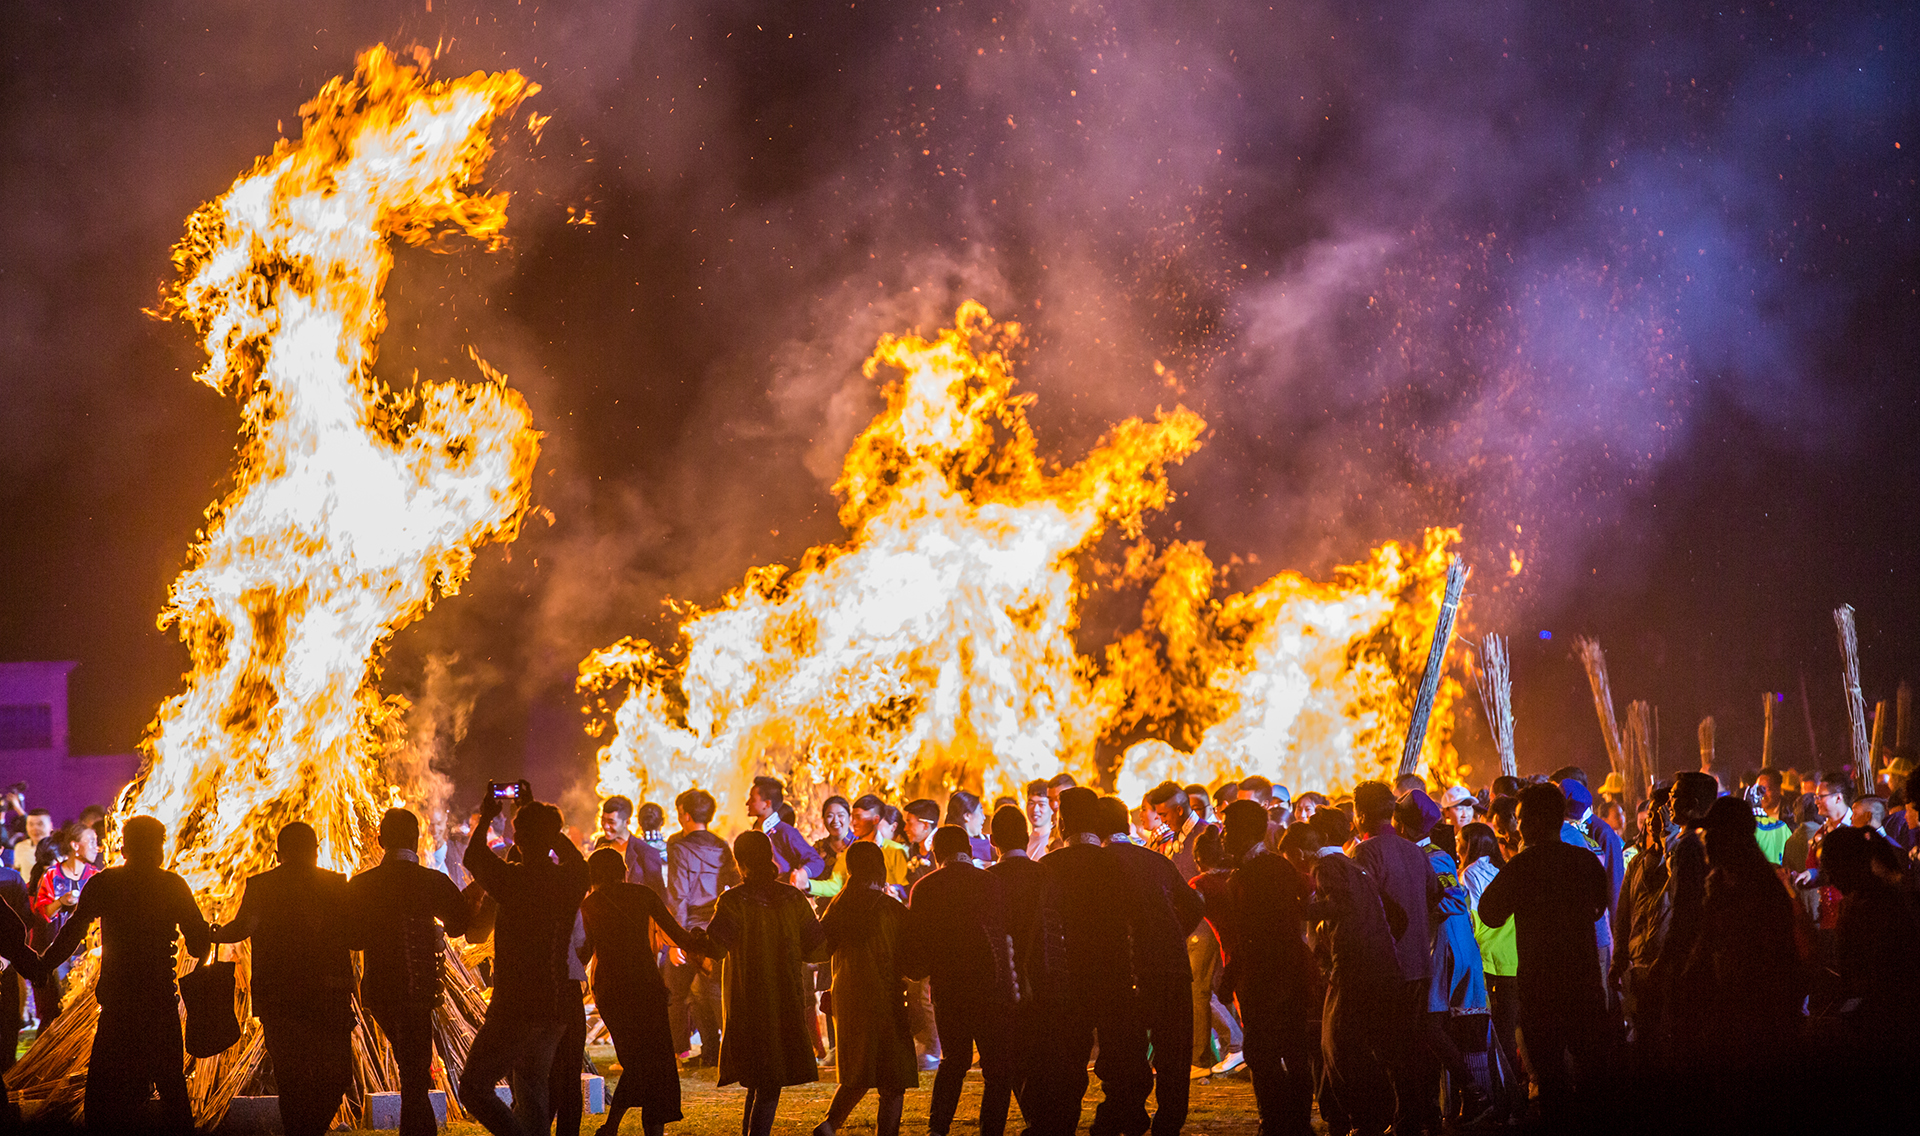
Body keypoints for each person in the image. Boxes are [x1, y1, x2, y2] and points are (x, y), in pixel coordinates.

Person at [41, 814, 211, 1134]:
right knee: (173, 1093)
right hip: (159, 1005)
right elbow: (200, 945)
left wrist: (41, 965)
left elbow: (72, 933)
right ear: (159, 849)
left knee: (103, 1100)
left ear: (124, 847)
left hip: (118, 1008)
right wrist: (206, 935)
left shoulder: (105, 883)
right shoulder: (172, 885)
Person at [1478, 783, 1618, 1131]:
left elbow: (1490, 913)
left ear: (1537, 821)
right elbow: (1599, 908)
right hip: (1584, 981)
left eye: (1522, 818)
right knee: (1592, 1073)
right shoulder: (1584, 860)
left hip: (1541, 988)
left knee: (1552, 1081)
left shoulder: (1523, 866)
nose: (1517, 826)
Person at [209, 823, 354, 1136]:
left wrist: (213, 933)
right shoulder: (336, 883)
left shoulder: (262, 885)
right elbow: (353, 935)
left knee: (291, 1076)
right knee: (338, 1072)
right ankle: (309, 1129)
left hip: (280, 997)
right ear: (316, 850)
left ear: (278, 855)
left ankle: (304, 1131)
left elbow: (243, 927)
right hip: (328, 994)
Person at [458, 794, 590, 1136]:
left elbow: (474, 856)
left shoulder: (513, 881)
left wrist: (488, 815)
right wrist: (548, 826)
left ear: (517, 839)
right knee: (532, 1089)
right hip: (555, 1005)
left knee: (473, 1088)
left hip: (515, 1006)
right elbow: (576, 861)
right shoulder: (569, 880)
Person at [1670, 797, 1803, 1129]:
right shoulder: (1723, 884)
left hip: (1754, 1025)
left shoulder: (1758, 890)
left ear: (1729, 837)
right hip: (1730, 1018)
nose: (1704, 839)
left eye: (1711, 832)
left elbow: (1772, 964)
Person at [346, 807, 472, 1136]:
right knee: (414, 1073)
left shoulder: (363, 885)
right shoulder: (433, 881)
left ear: (380, 840)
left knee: (413, 1072)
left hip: (382, 991)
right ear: (418, 841)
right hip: (419, 989)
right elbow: (461, 925)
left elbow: (353, 939)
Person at [697, 828, 827, 1136]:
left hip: (747, 1003)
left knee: (761, 1079)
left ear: (741, 863)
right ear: (769, 857)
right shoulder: (793, 898)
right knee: (768, 1080)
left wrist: (692, 942)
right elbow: (817, 948)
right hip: (784, 1001)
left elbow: (714, 949)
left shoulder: (733, 901)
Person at [1023, 787, 1133, 1136]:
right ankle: (1114, 1121)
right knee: (1118, 1060)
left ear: (1062, 823)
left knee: (1064, 1062)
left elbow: (1040, 927)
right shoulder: (1115, 863)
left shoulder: (1049, 866)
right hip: (1113, 974)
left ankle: (1056, 1126)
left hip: (1066, 979)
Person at [1095, 795, 1205, 1136]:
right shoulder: (1156, 860)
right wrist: (1172, 937)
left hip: (1128, 970)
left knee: (1126, 1052)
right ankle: (1168, 1124)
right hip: (1170, 968)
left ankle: (1130, 1117)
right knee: (1173, 1056)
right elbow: (1194, 904)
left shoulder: (1098, 863)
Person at [1288, 807, 1401, 1136]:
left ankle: (1364, 1121)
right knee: (1362, 1045)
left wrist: (1299, 907)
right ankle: (1378, 1116)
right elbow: (1396, 915)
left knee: (1337, 1046)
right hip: (1378, 966)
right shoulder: (1354, 864)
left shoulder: (1327, 866)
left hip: (1354, 969)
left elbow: (1341, 905)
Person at [580, 845, 705, 1136]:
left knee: (637, 1061)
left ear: (592, 876)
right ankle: (628, 1129)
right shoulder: (644, 895)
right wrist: (704, 944)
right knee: (656, 1061)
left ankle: (612, 1127)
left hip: (611, 989)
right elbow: (677, 935)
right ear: (623, 872)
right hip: (645, 986)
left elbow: (586, 951)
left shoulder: (591, 904)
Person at [904, 826, 1017, 1136]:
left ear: (938, 853)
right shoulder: (992, 882)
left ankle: (938, 1127)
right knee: (996, 1067)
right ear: (969, 848)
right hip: (992, 985)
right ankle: (991, 1129)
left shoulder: (926, 887)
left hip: (949, 987)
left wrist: (917, 971)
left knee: (954, 1061)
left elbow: (917, 943)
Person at [1351, 780, 1441, 1136]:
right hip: (1419, 963)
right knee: (1414, 1041)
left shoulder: (1365, 854)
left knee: (1390, 1047)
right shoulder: (1415, 851)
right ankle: (1425, 1112)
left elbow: (1363, 907)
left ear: (1359, 816)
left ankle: (1405, 1118)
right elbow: (1434, 894)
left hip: (1388, 966)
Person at [1220, 800, 1315, 1136]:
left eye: (1228, 829)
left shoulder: (1265, 871)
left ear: (1245, 832)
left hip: (1272, 975)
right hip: (1276, 973)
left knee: (1268, 1051)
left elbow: (1261, 933)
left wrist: (1233, 973)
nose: (1222, 837)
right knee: (1283, 1050)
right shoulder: (1267, 868)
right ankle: (1289, 1122)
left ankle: (1281, 1122)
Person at [1395, 790, 1490, 1126]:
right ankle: (1450, 1101)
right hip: (1452, 946)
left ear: (1399, 822)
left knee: (1429, 1024)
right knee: (1441, 1027)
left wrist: (1421, 907)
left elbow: (1453, 901)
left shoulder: (1430, 858)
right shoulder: (1433, 853)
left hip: (1444, 948)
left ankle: (1474, 1091)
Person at [813, 842, 917, 1136]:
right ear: (879, 868)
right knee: (892, 1081)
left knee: (859, 1073)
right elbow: (912, 963)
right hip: (885, 998)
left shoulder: (838, 906)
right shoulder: (891, 909)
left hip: (849, 998)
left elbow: (821, 949)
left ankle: (830, 1124)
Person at [984, 805, 1044, 1126]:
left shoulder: (986, 881)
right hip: (1043, 983)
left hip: (999, 985)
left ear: (992, 840)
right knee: (1037, 1062)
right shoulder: (1045, 875)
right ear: (1026, 835)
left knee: (998, 1072)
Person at [28, 824, 98, 1025]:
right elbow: (42, 913)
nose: (97, 847)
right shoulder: (52, 875)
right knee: (57, 1010)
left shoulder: (95, 876)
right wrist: (61, 902)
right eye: (91, 841)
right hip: (55, 951)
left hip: (86, 952)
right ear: (75, 846)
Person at [745, 776, 825, 886]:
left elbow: (817, 861)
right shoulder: (754, 833)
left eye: (752, 799)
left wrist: (802, 873)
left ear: (767, 804)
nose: (747, 803)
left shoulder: (786, 832)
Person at [595, 795, 666, 896]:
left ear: (627, 822)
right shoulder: (601, 845)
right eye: (603, 820)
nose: (605, 826)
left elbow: (658, 895)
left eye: (611, 822)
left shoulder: (646, 852)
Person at [1146, 780, 1206, 879]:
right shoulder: (1174, 835)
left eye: (1164, 815)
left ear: (1179, 810)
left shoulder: (1207, 833)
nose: (1163, 820)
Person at [1024, 779, 1055, 860]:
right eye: (1031, 803)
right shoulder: (1021, 844)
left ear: (1051, 808)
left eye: (1041, 804)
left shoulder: (1057, 842)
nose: (1035, 809)